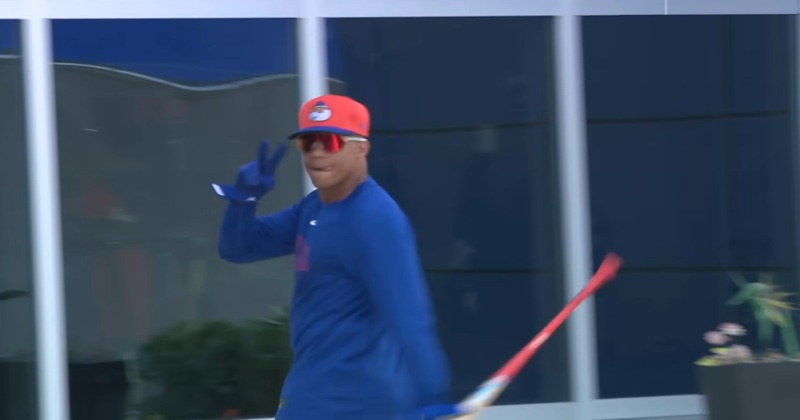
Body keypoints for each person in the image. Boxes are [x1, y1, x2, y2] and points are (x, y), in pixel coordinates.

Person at [211, 94, 469, 419]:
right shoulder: (313, 207)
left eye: (331, 142)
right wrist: (243, 202)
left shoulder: (376, 218)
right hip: (309, 392)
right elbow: (238, 248)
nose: (317, 152)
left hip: (358, 402)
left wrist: (432, 398)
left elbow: (409, 316)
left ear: (362, 148)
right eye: (308, 143)